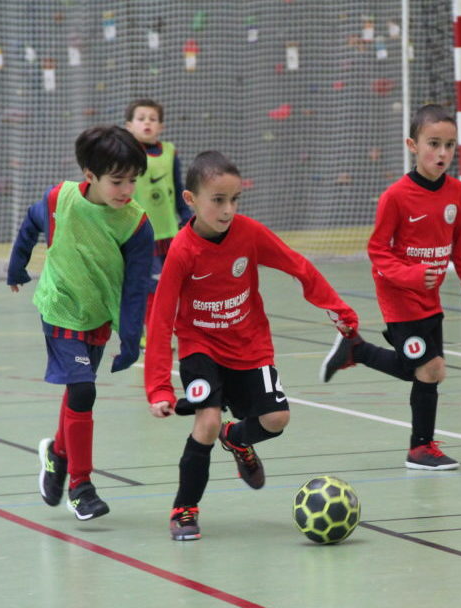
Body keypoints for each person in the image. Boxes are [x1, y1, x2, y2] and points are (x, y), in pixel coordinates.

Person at [145, 150, 359, 541]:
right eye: (218, 200)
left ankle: (237, 438)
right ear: (190, 200)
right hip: (201, 346)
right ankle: (184, 508)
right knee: (206, 422)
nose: (228, 209)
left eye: (235, 199)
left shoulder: (250, 234)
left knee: (276, 420)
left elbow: (299, 267)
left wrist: (336, 307)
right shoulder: (182, 250)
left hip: (249, 344)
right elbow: (160, 320)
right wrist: (158, 385)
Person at [320, 104, 461, 471]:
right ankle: (420, 449)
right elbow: (378, 252)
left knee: (424, 369)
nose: (442, 153)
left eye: (449, 145)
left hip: (430, 301)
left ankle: (356, 350)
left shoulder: (458, 194)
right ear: (413, 145)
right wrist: (413, 275)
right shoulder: (396, 196)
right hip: (399, 298)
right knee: (431, 369)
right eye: (434, 143)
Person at [7, 125, 153, 521]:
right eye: (117, 181)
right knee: (84, 389)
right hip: (59, 307)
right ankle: (80, 485)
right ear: (90, 176)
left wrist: (131, 337)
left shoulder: (136, 225)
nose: (127, 190)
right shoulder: (60, 199)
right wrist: (17, 266)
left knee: (77, 391)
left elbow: (136, 287)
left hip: (97, 314)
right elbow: (31, 224)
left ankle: (56, 455)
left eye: (133, 181)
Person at [124, 98, 191, 343]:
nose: (147, 123)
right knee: (150, 286)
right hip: (141, 233)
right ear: (129, 125)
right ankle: (152, 336)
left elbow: (177, 185)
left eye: (152, 119)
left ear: (161, 126)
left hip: (168, 232)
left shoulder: (170, 152)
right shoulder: (128, 154)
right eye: (141, 119)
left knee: (172, 285)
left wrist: (186, 216)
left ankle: (161, 330)